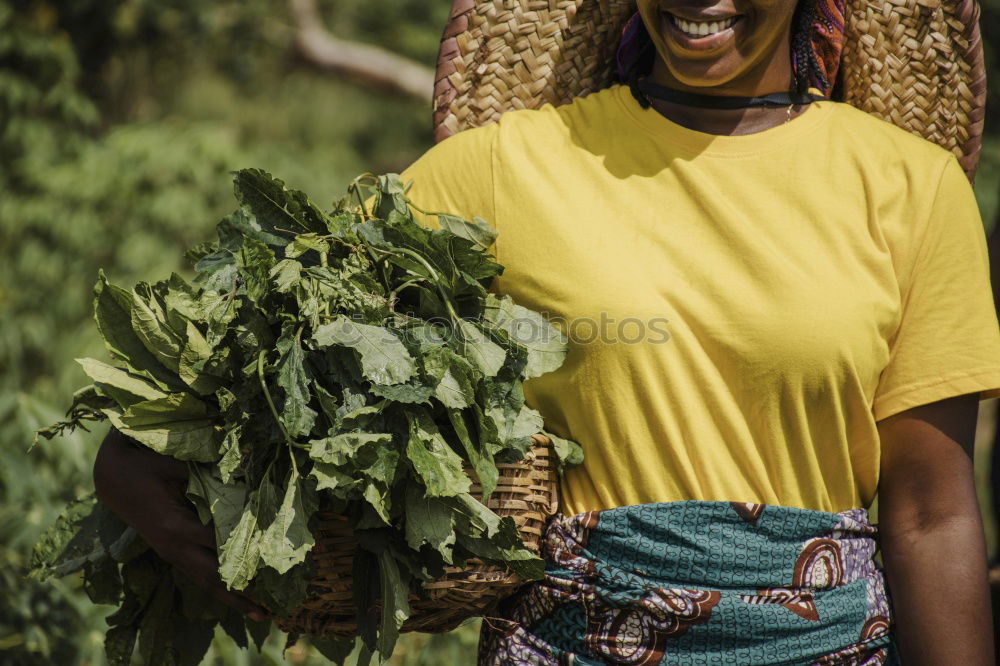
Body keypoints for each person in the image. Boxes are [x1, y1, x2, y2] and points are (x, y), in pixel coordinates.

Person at [93, 0, 1000, 663]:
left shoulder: (908, 188)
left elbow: (930, 512)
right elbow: (296, 330)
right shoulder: (503, 169)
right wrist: (142, 453)